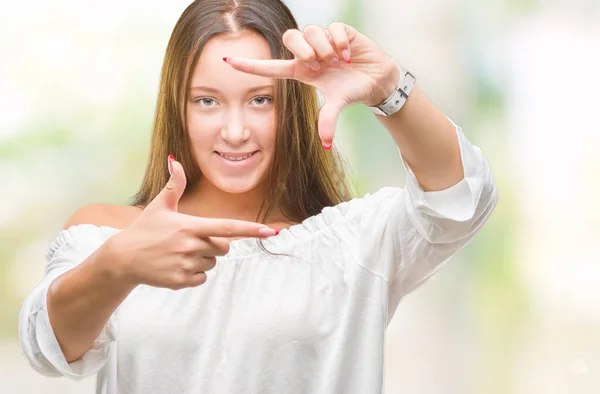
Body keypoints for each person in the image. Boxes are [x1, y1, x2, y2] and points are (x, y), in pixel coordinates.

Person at [18, 0, 498, 393]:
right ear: (177, 107)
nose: (234, 131)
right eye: (207, 100)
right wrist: (116, 265)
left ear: (290, 105)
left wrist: (387, 88)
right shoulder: (111, 234)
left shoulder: (355, 244)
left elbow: (461, 198)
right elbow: (49, 349)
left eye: (260, 100)